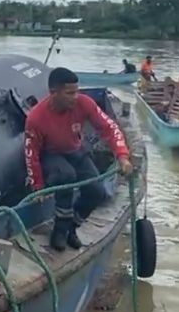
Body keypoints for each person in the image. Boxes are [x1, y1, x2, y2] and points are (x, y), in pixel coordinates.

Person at [24, 67, 133, 252]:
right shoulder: (36, 118)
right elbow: (31, 153)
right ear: (53, 93)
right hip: (51, 155)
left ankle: (71, 227)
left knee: (98, 193)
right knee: (66, 175)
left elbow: (108, 128)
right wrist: (37, 186)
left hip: (75, 150)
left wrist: (122, 156)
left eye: (77, 91)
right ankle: (59, 230)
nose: (75, 96)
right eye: (70, 93)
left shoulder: (84, 103)